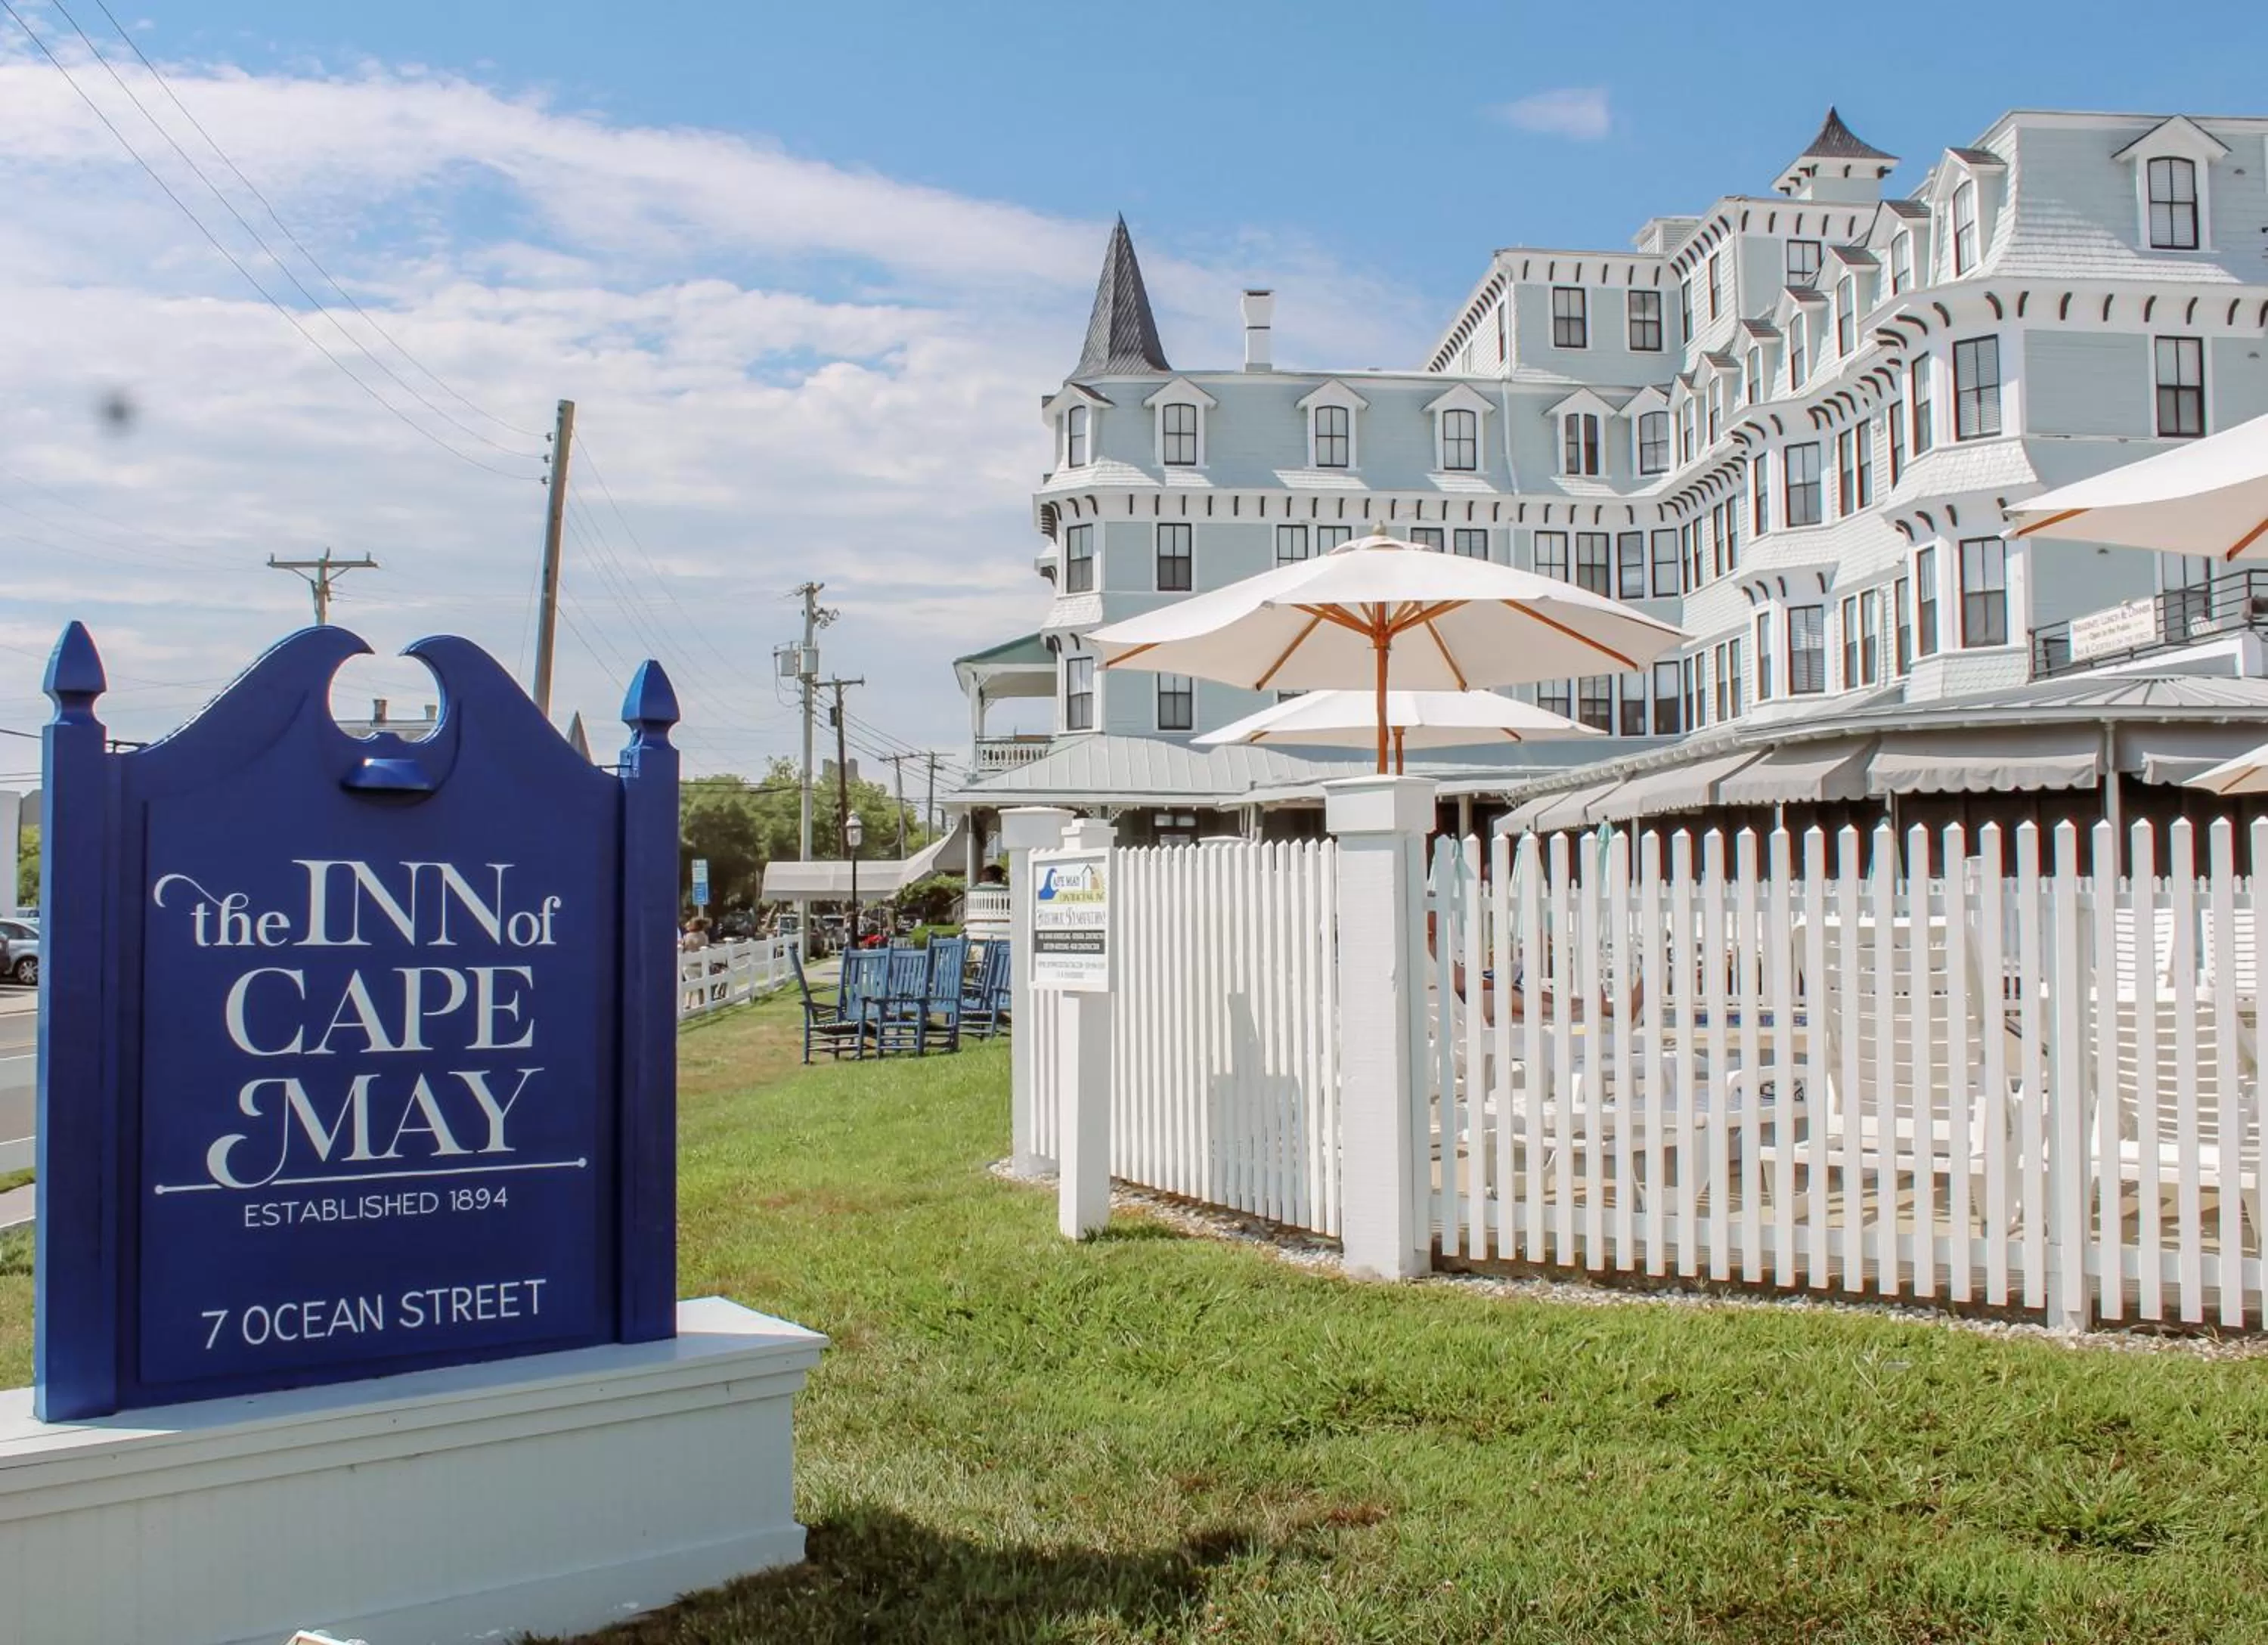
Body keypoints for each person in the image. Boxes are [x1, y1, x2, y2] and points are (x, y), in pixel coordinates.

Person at [1425, 907, 1640, 1027]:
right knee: (1507, 994)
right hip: (1457, 1006)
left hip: (1464, 997)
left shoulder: (1434, 944)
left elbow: (1461, 978)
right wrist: (1497, 980)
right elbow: (1458, 981)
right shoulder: (1425, 949)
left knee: (1525, 992)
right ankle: (1581, 1011)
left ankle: (1607, 1008)